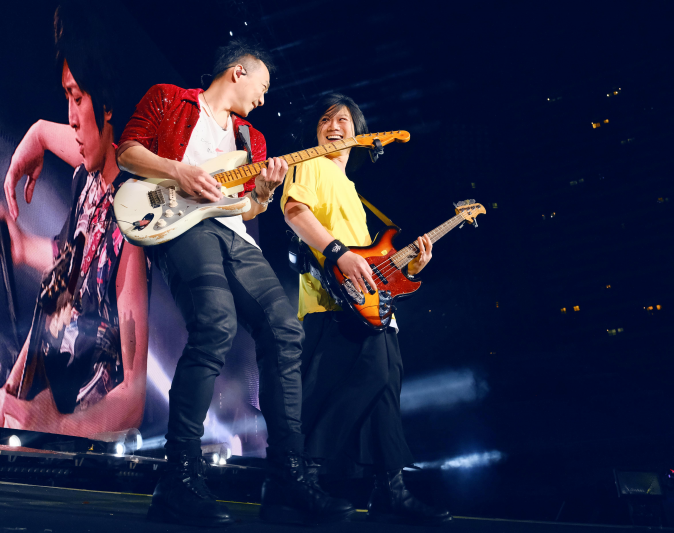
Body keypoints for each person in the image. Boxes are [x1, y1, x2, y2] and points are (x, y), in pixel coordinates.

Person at [116, 40, 354, 527]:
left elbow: (246, 208)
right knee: (216, 323)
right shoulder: (169, 98)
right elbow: (126, 152)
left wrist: (263, 192)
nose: (264, 99)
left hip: (234, 235)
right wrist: (177, 170)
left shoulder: (253, 140)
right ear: (238, 73)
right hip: (180, 226)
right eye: (262, 86)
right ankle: (178, 478)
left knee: (285, 330)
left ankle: (286, 479)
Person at [280, 93, 451, 524]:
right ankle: (299, 477)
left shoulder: (354, 191)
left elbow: (372, 258)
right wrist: (338, 252)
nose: (333, 126)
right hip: (331, 304)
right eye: (325, 119)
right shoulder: (310, 161)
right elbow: (295, 211)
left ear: (359, 133)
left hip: (372, 306)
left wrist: (411, 266)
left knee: (386, 388)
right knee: (364, 378)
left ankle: (390, 489)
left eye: (343, 120)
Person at [0, 4, 150, 438]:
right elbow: (63, 285)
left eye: (77, 99)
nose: (71, 118)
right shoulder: (86, 182)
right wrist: (12, 390)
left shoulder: (133, 222)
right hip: (42, 415)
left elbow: (133, 396)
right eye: (67, 99)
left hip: (83, 448)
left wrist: (58, 427)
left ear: (107, 104)